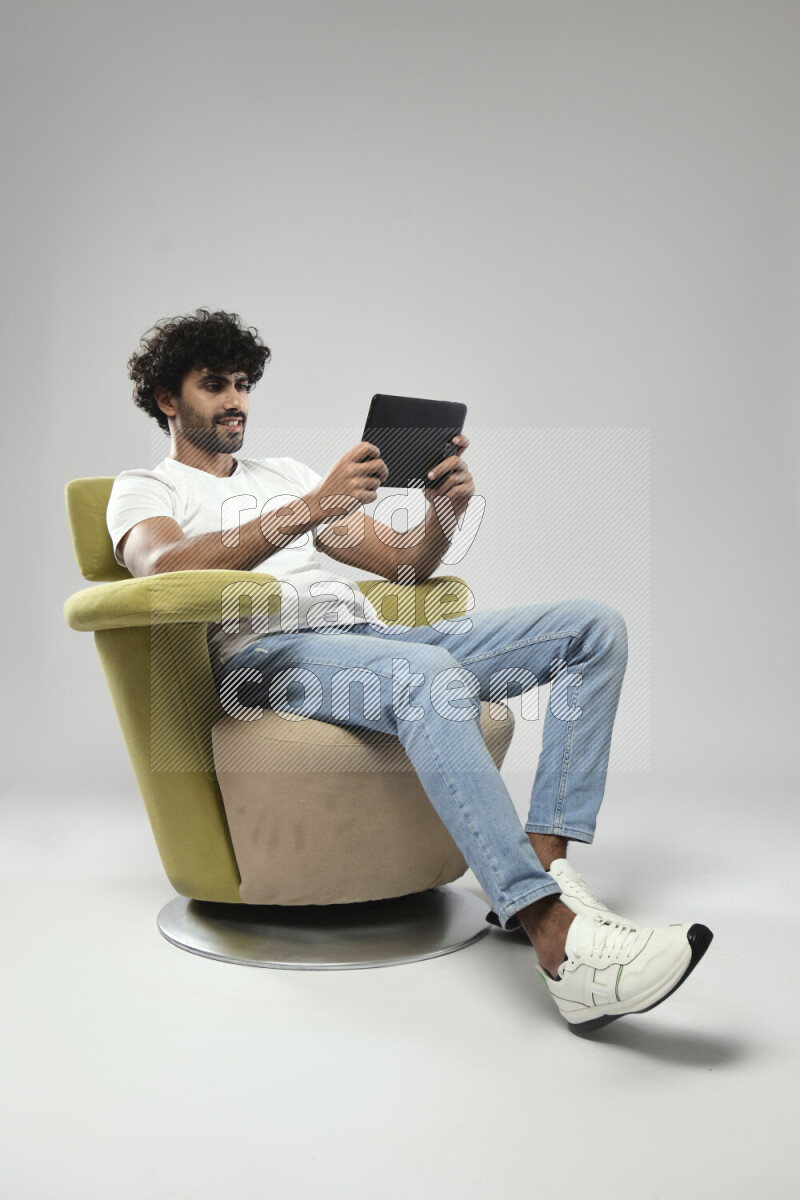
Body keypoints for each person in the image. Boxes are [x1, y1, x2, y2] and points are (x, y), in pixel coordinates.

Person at [107, 307, 713, 1032]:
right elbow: (164, 570)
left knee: (592, 628)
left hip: (366, 635)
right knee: (428, 678)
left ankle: (545, 868)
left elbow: (404, 565)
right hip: (269, 660)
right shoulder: (147, 488)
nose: (236, 401)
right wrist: (306, 509)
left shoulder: (289, 474)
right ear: (168, 400)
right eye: (215, 385)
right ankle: (560, 946)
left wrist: (441, 513)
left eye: (242, 384)